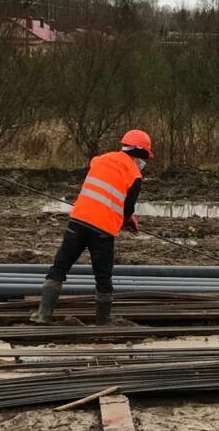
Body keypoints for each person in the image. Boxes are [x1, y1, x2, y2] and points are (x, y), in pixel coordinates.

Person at [30, 129, 153, 325]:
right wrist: (129, 220)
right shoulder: (134, 174)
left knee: (59, 268)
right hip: (102, 231)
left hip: (77, 221)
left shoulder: (100, 159)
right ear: (142, 154)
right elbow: (127, 208)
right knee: (103, 277)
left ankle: (42, 315)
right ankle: (102, 322)